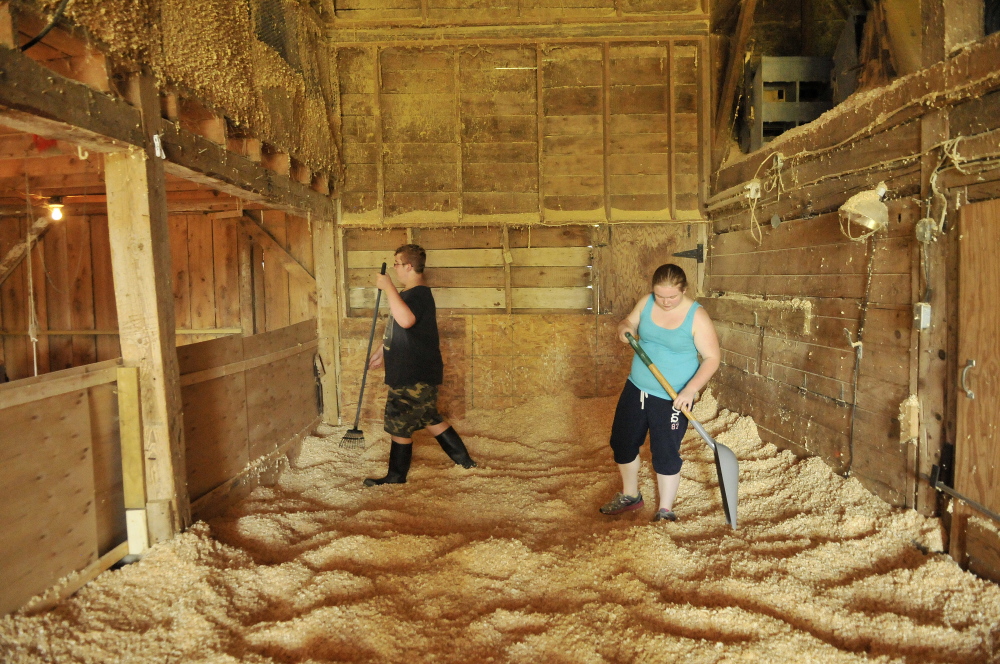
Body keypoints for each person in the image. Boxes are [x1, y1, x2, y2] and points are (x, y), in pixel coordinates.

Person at [599, 263, 720, 522]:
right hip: (637, 387)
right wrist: (625, 329)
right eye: (659, 296)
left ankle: (665, 510)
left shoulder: (697, 316)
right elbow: (629, 321)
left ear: (684, 290)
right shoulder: (647, 302)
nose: (665, 302)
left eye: (672, 297)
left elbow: (712, 358)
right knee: (622, 442)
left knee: (665, 452)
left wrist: (690, 390)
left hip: (673, 397)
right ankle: (630, 496)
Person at [363, 244, 477, 487]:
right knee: (428, 416)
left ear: (409, 266)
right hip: (417, 368)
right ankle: (466, 463)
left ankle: (396, 477)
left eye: (397, 263)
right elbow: (402, 329)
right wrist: (381, 351)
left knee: (398, 422)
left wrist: (388, 288)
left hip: (412, 372)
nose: (394, 268)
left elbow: (406, 321)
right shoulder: (409, 295)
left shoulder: (418, 294)